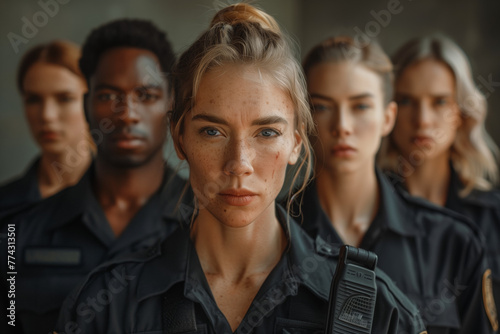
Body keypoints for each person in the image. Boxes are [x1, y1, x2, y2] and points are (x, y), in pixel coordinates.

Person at [54, 4, 427, 334]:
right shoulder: (106, 303)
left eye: (266, 132)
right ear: (179, 137)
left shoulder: (374, 309)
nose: (239, 164)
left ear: (297, 142)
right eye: (212, 131)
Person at [0, 19, 190, 334]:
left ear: (171, 104)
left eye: (145, 95)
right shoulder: (15, 233)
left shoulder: (208, 223)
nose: (127, 112)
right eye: (108, 96)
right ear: (86, 105)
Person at [297, 35, 494, 333]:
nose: (343, 127)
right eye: (322, 106)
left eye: (361, 106)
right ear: (303, 118)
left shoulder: (455, 241)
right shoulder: (270, 234)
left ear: (387, 117)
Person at [378, 34, 500, 330]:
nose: (423, 119)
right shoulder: (365, 210)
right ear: (388, 110)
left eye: (440, 102)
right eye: (406, 100)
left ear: (462, 111)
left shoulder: (494, 215)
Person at [0, 40, 92, 213]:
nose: (46, 115)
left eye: (65, 98)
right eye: (33, 100)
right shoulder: (5, 208)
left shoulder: (131, 201)